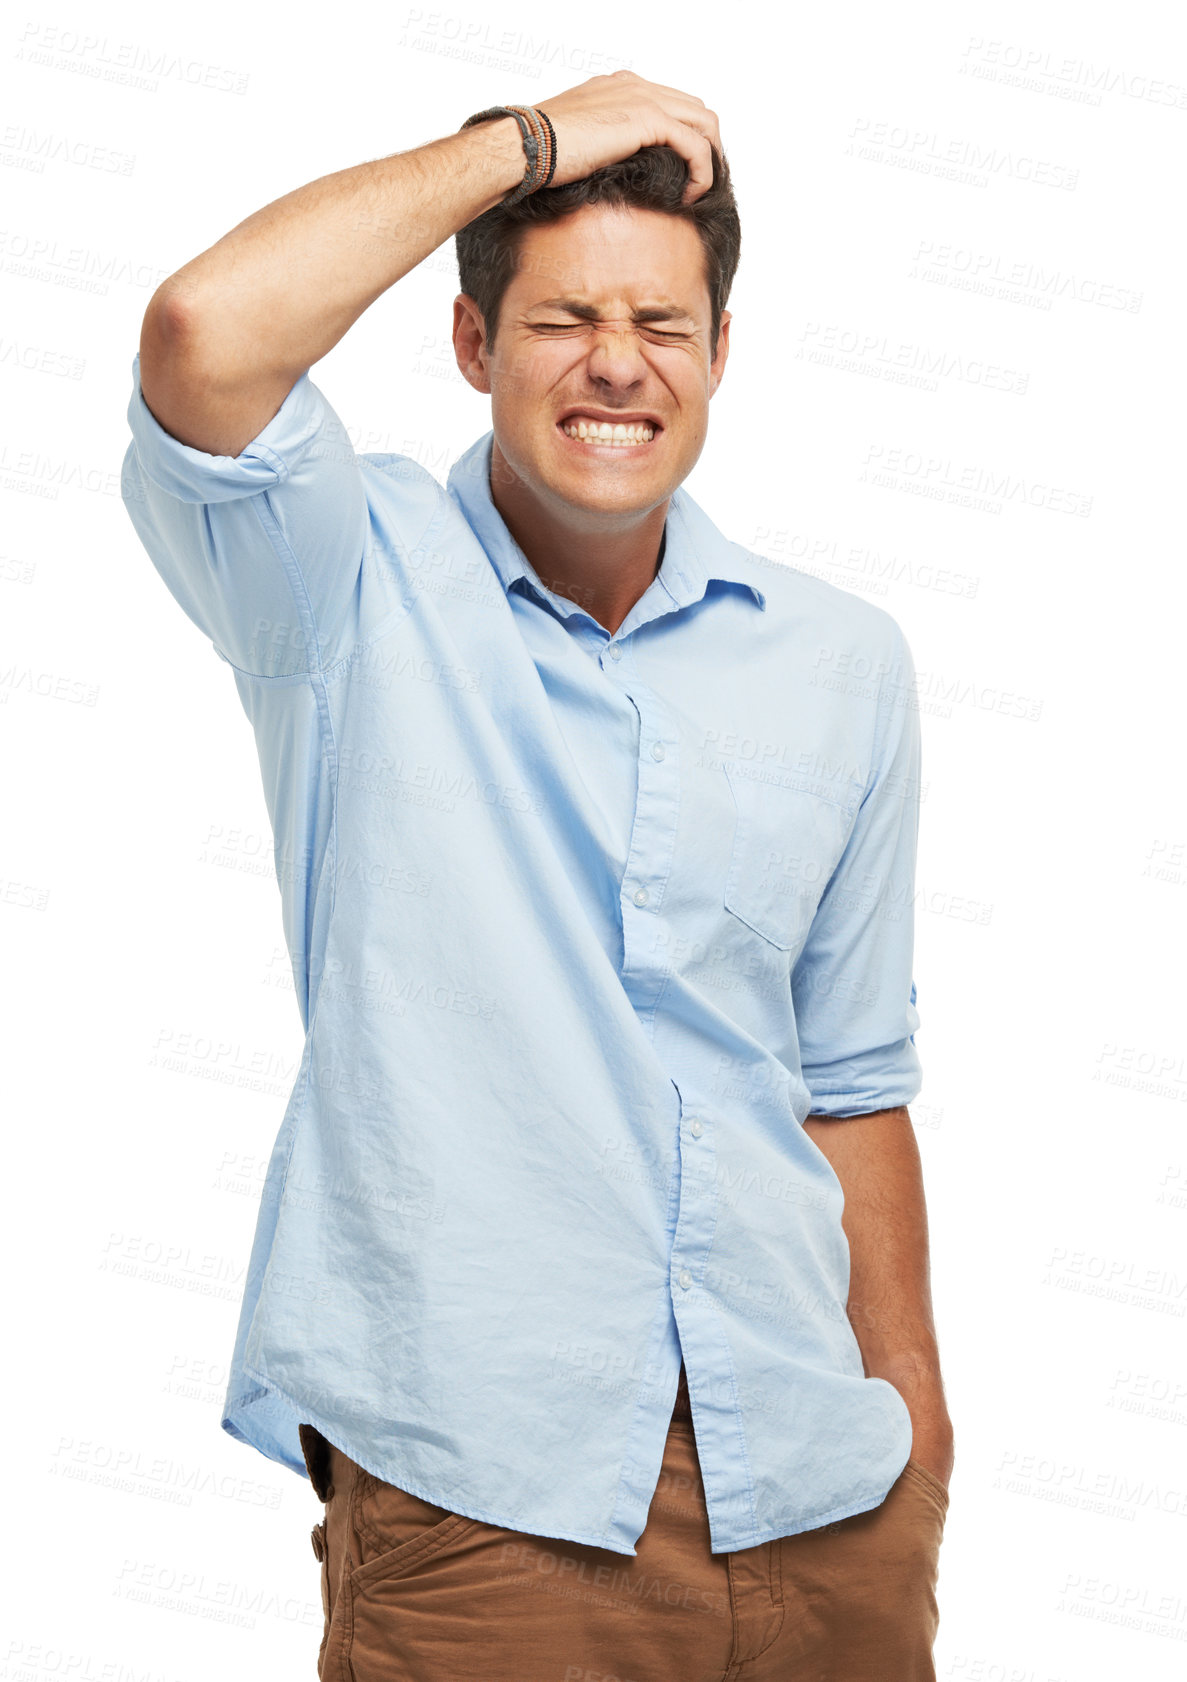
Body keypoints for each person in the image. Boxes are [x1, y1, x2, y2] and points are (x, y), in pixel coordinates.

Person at [120, 68, 954, 1682]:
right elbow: (204, 334)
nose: (620, 365)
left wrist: (912, 1434)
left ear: (721, 352)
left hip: (820, 1494)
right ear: (470, 344)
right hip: (490, 1507)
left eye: (666, 321)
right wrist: (523, 147)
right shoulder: (343, 582)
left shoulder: (846, 662)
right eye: (565, 317)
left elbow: (851, 1077)